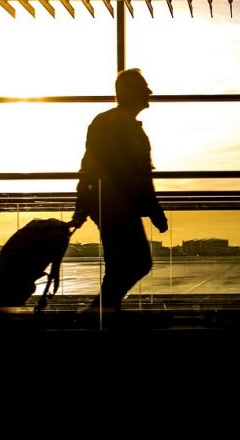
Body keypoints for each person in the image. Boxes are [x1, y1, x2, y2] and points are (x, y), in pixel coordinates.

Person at [69, 69, 168, 312]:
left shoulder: (110, 122)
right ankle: (100, 313)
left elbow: (90, 166)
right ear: (131, 92)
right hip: (117, 206)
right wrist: (154, 211)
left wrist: (83, 206)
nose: (149, 92)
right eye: (144, 88)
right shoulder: (120, 125)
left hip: (110, 205)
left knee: (122, 264)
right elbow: (136, 175)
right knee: (137, 262)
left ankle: (103, 314)